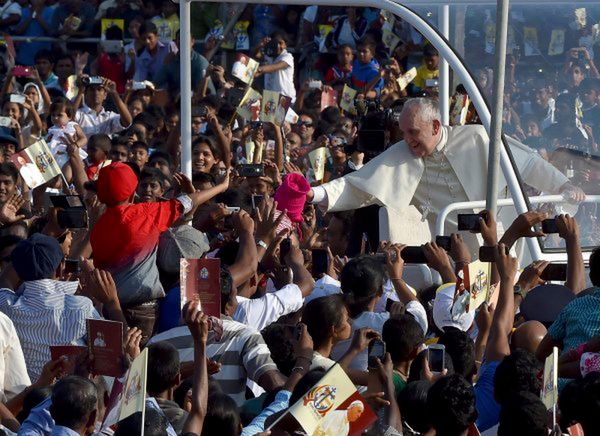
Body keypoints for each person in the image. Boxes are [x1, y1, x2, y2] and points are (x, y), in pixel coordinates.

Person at [307, 97, 584, 249]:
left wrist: (563, 186)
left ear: (436, 126)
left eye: (413, 132)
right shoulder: (402, 153)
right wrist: (313, 193)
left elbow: (528, 164)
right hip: (450, 249)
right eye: (403, 133)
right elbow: (356, 186)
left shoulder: (476, 138)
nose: (408, 140)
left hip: (499, 238)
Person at [255, 31, 296, 103]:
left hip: (285, 100)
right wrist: (261, 45)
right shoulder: (268, 55)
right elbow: (256, 55)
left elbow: (274, 67)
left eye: (281, 43)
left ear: (285, 45)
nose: (279, 46)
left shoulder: (287, 57)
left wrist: (260, 70)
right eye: (276, 43)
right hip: (270, 99)